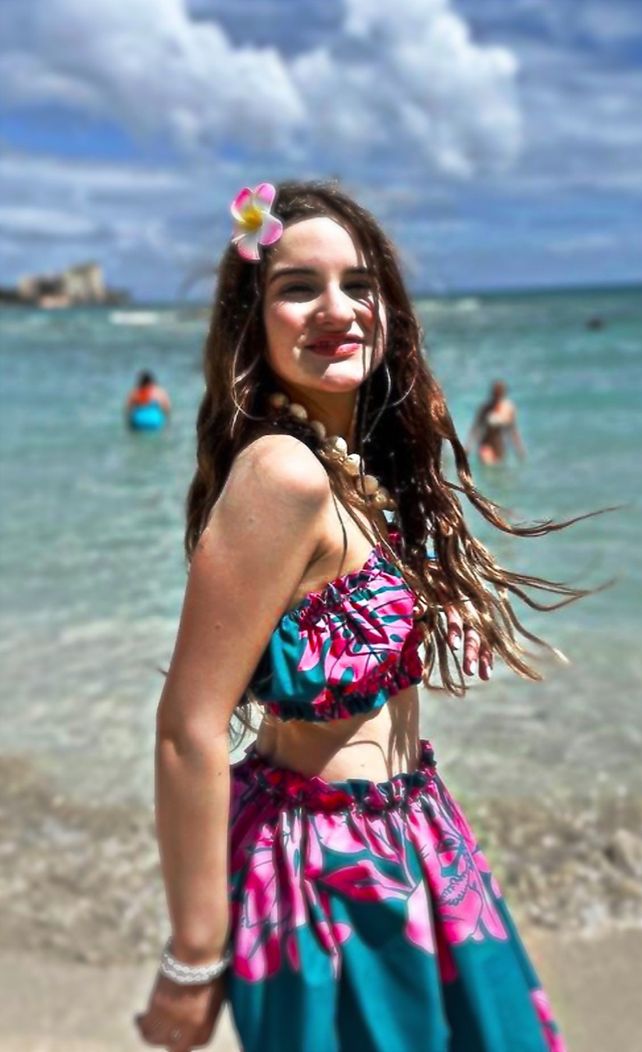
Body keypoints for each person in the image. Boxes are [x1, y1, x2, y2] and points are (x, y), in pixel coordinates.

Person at [134, 181, 597, 1052]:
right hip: (330, 871)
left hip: (409, 831)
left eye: (359, 283)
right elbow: (188, 729)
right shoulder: (285, 473)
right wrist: (194, 959)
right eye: (297, 286)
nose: (337, 309)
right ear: (253, 320)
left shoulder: (346, 467)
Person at [466, 380, 525, 466]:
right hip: (486, 443)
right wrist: (468, 446)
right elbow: (475, 428)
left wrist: (519, 448)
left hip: (500, 445)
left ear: (503, 395)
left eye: (499, 395)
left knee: (497, 474)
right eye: (495, 395)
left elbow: (513, 431)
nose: (496, 398)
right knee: (487, 465)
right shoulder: (485, 408)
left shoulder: (509, 409)